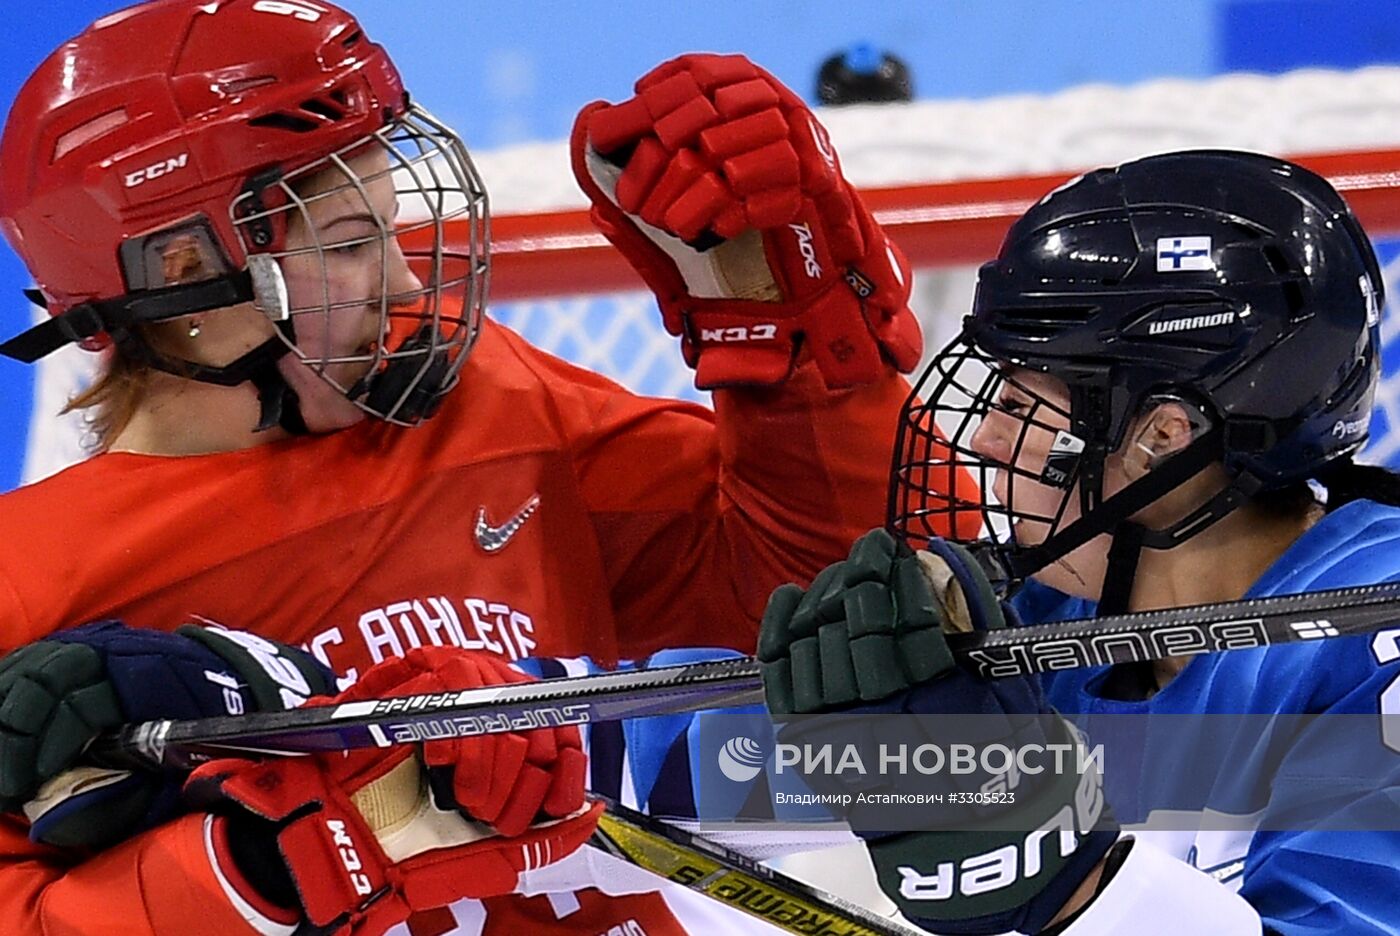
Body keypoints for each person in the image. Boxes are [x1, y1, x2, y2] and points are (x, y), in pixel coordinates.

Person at [0, 1, 977, 933]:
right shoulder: (29, 584)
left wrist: (793, 341)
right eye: (348, 241)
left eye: (390, 223)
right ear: (181, 277)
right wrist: (297, 855)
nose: (405, 279)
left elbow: (859, 590)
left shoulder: (487, 399)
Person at [758, 150, 1400, 934]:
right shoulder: (1051, 622)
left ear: (1167, 434)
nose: (988, 436)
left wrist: (1031, 863)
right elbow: (703, 774)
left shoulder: (1368, 638)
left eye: (1026, 395)